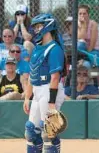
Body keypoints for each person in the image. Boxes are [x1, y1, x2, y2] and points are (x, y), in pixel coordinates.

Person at [23, 13, 66, 153]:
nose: (36, 29)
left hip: (49, 91)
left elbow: (55, 77)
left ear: (48, 27)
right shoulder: (37, 48)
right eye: (35, 26)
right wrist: (27, 97)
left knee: (47, 133)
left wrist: (52, 103)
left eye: (39, 26)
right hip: (37, 91)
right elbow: (32, 74)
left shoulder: (54, 49)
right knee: (30, 131)